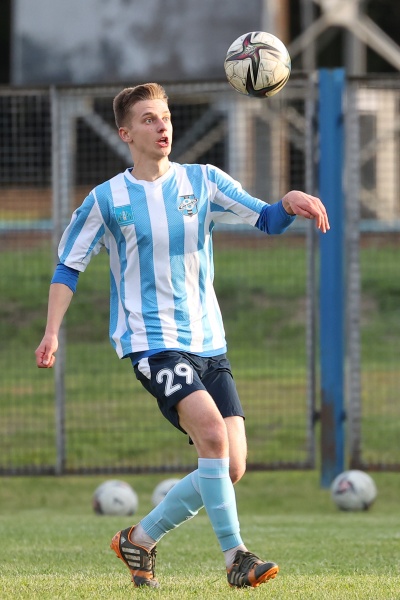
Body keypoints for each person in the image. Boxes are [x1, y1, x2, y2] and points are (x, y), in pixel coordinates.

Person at [35, 82, 329, 589]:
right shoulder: (106, 199)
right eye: (148, 119)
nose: (162, 126)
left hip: (209, 342)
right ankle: (236, 557)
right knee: (212, 436)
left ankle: (139, 539)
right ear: (126, 134)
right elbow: (68, 267)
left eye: (165, 117)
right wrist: (51, 333)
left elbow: (265, 219)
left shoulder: (203, 181)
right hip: (152, 342)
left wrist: (289, 201)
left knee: (230, 465)